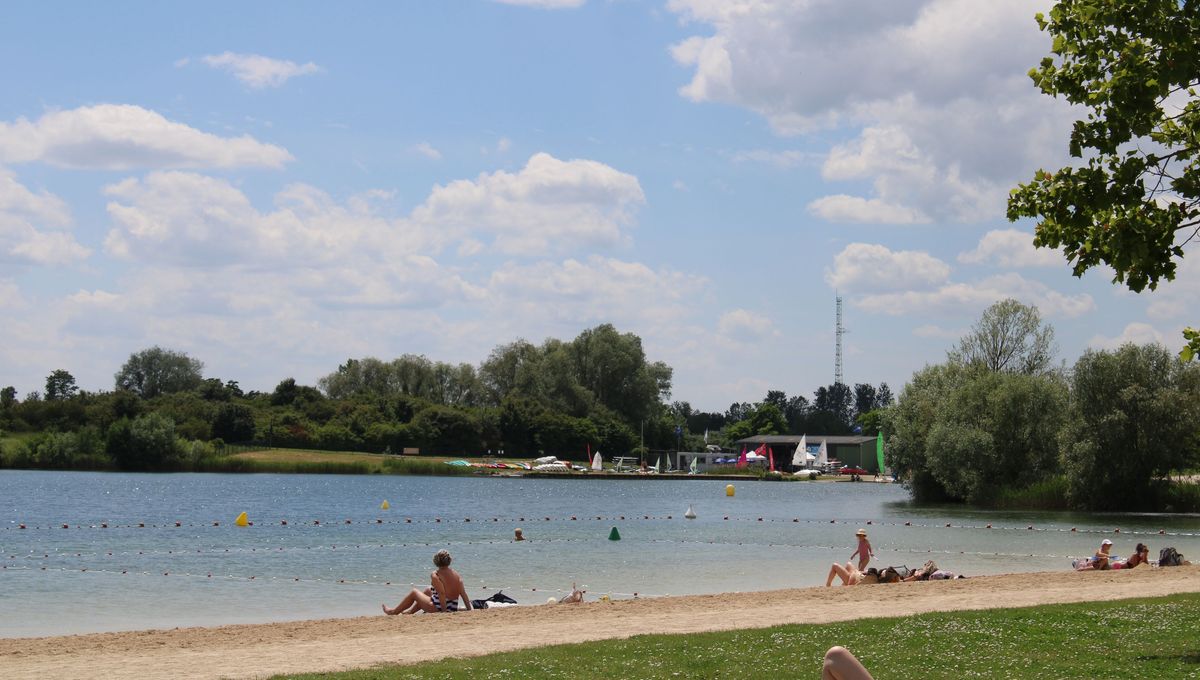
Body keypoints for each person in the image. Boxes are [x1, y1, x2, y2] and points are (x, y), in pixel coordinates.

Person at [383, 549, 473, 615]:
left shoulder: (436, 574)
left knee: (414, 592)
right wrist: (469, 609)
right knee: (428, 590)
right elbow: (463, 594)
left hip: (439, 607)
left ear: (435, 561)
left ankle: (393, 612)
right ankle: (410, 612)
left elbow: (441, 593)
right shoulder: (456, 574)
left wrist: (444, 612)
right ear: (449, 561)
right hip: (452, 606)